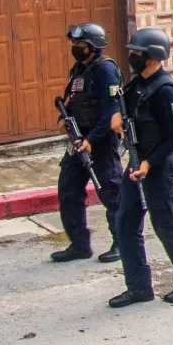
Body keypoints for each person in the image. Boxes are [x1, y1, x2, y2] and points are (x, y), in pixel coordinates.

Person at [107, 28, 173, 308]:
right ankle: (138, 287)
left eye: (137, 53)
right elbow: (122, 104)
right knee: (125, 222)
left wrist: (149, 163)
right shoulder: (136, 84)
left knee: (165, 225)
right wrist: (116, 114)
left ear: (152, 57)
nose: (132, 56)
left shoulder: (166, 91)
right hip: (136, 163)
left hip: (158, 166)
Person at [52, 23, 123, 264]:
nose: (75, 48)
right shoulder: (79, 69)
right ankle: (79, 244)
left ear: (92, 48)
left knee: (111, 193)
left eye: (79, 45)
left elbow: (111, 112)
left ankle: (122, 242)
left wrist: (91, 140)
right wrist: (65, 118)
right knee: (68, 190)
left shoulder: (106, 70)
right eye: (73, 44)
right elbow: (73, 101)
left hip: (100, 141)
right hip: (78, 140)